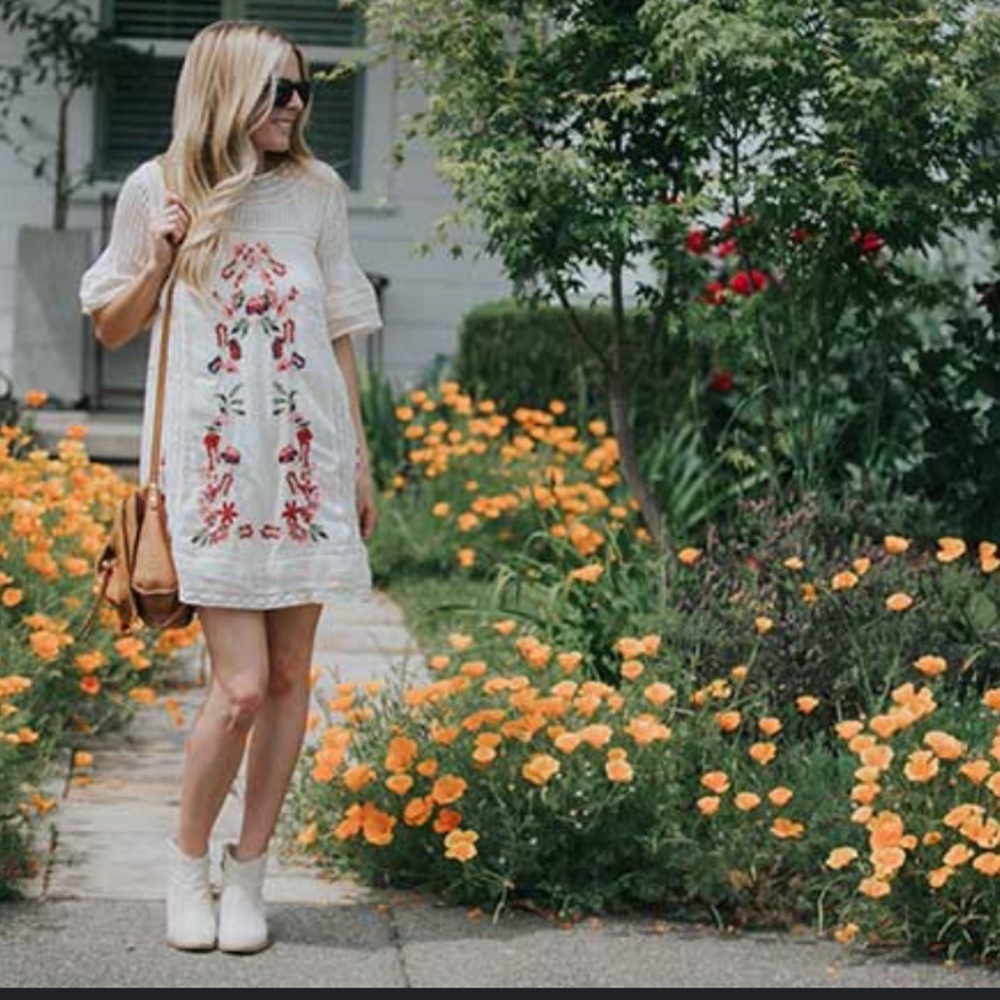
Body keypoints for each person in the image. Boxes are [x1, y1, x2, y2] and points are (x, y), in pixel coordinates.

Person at [79, 20, 381, 954]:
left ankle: (250, 874)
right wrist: (165, 254)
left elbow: (337, 329)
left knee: (291, 677)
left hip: (302, 465)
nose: (296, 107)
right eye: (278, 91)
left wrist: (360, 457)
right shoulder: (157, 187)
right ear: (226, 92)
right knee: (241, 687)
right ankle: (185, 863)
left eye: (301, 91)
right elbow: (112, 328)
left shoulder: (317, 193)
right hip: (210, 478)